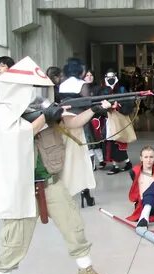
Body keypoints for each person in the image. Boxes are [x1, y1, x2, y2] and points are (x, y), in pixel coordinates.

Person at [0, 56, 113, 274]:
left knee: (74, 226)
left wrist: (95, 109)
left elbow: (72, 122)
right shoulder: (2, 112)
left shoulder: (43, 104)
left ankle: (85, 270)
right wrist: (46, 116)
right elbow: (21, 133)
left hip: (50, 181)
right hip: (21, 187)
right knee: (14, 239)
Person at [59, 58, 97, 207]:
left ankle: (66, 190)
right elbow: (88, 102)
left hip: (64, 122)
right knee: (82, 158)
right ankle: (85, 193)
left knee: (67, 158)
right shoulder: (82, 85)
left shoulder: (62, 85)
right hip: (79, 123)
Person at [99, 69, 134, 175]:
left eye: (112, 77)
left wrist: (118, 106)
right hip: (108, 120)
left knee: (119, 142)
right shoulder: (103, 90)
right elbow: (99, 105)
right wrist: (107, 109)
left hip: (120, 119)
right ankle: (120, 164)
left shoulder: (122, 89)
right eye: (108, 78)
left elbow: (128, 103)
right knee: (111, 142)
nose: (110, 80)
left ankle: (120, 164)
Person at [83, 69, 104, 170]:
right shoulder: (81, 88)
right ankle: (93, 164)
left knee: (97, 139)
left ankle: (101, 160)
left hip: (96, 117)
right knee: (89, 140)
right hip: (85, 118)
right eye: (87, 75)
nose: (89, 77)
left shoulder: (98, 88)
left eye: (91, 75)